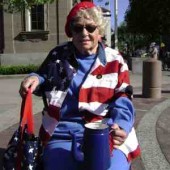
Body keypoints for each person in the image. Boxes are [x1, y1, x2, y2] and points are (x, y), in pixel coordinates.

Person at [19, 2, 140, 170]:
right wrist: (34, 79)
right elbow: (43, 75)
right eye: (78, 28)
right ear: (71, 31)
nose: (84, 33)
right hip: (62, 133)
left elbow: (123, 96)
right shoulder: (58, 54)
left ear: (99, 31)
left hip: (104, 133)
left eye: (90, 28)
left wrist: (121, 124)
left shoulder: (115, 60)